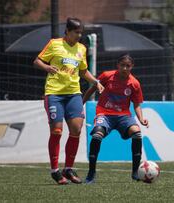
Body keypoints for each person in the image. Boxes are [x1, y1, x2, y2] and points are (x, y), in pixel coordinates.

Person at [33, 17, 104, 185]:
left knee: (77, 129)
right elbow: (37, 61)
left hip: (74, 94)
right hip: (54, 94)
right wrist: (47, 67)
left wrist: (95, 82)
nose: (79, 35)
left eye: (81, 32)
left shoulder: (81, 48)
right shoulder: (54, 44)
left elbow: (83, 71)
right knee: (57, 131)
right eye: (76, 32)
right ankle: (55, 170)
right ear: (67, 31)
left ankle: (69, 169)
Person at [82, 54, 149, 184]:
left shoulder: (134, 83)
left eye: (128, 66)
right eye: (122, 65)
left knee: (137, 132)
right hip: (104, 114)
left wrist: (141, 119)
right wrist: (81, 104)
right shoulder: (107, 76)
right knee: (97, 135)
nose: (125, 68)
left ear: (132, 67)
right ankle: (91, 173)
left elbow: (136, 105)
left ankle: (135, 172)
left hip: (123, 116)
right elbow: (92, 90)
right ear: (117, 65)